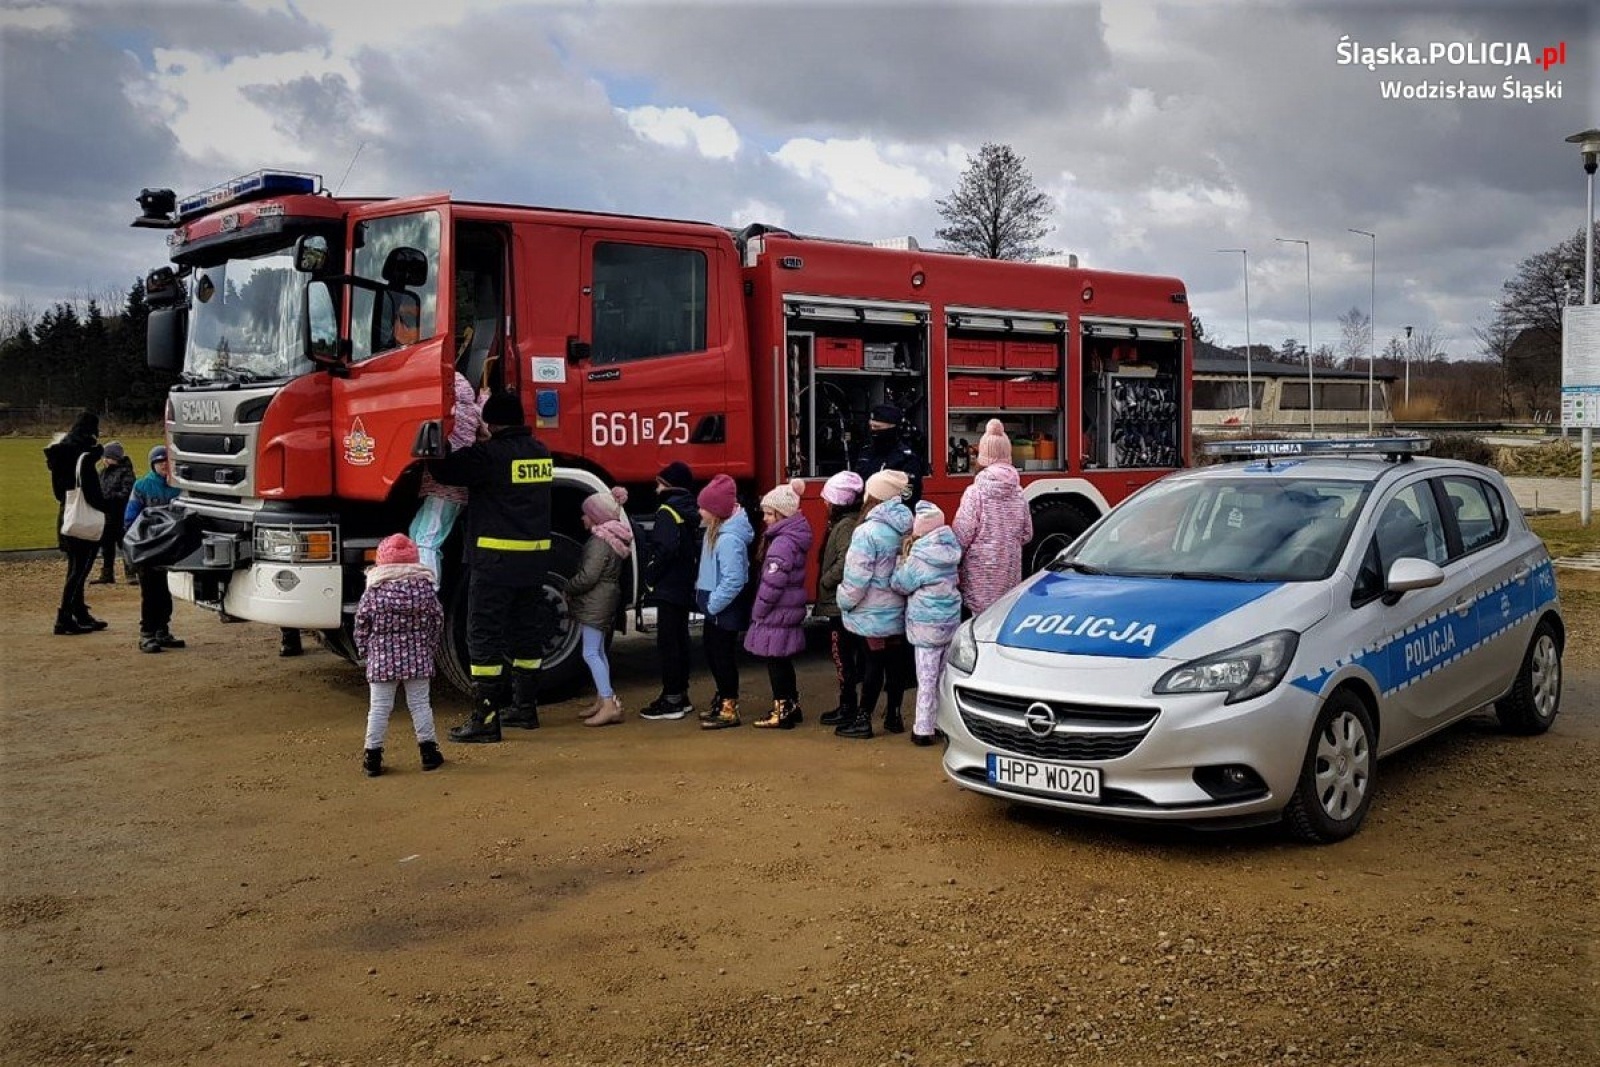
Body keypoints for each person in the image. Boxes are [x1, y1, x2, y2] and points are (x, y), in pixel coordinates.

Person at [427, 390, 553, 742]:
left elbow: (446, 469)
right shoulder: (540, 453)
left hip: (495, 563)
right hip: (533, 562)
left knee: (484, 636)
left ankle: (485, 718)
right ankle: (525, 708)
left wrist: (433, 438)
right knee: (527, 633)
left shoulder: (489, 456)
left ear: (492, 422)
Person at [353, 533, 445, 777]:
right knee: (420, 705)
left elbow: (362, 623)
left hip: (382, 661)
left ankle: (372, 757)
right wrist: (430, 647)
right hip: (418, 658)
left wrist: (365, 651)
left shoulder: (374, 591)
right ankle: (429, 753)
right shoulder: (425, 590)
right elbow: (437, 620)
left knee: (379, 709)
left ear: (382, 561)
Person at [835, 469, 913, 739]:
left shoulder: (866, 532)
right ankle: (894, 716)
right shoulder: (907, 527)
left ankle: (863, 718)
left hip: (871, 613)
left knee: (872, 664)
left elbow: (857, 578)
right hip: (897, 611)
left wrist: (843, 600)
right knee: (895, 665)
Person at [744, 479, 814, 730]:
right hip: (787, 610)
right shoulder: (791, 538)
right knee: (783, 660)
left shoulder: (781, 543)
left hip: (776, 612)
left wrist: (759, 611)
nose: (764, 518)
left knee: (775, 661)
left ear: (782, 513)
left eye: (769, 513)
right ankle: (790, 705)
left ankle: (782, 707)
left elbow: (772, 584)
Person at [892, 501, 963, 746]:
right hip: (949, 621)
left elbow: (901, 584)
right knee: (944, 677)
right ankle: (944, 725)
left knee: (926, 677)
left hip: (925, 625)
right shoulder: (951, 551)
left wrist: (900, 562)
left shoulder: (920, 556)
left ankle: (923, 728)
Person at [638, 461, 702, 721]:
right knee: (680, 640)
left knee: (669, 644)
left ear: (668, 485)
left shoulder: (666, 510)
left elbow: (663, 549)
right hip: (682, 585)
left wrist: (650, 578)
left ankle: (672, 699)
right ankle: (680, 696)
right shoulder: (686, 510)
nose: (655, 489)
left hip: (667, 588)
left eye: (659, 483)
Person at [953, 419, 1033, 617]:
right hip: (1009, 574)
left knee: (979, 627)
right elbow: (1027, 534)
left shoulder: (976, 492)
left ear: (983, 456)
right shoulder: (1018, 492)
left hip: (980, 577)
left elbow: (961, 537)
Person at [693, 473, 754, 730]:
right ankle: (722, 699)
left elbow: (734, 579)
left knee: (722, 657)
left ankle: (729, 705)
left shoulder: (728, 540)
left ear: (716, 511)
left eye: (703, 508)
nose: (699, 512)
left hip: (722, 609)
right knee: (713, 652)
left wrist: (714, 604)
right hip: (715, 608)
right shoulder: (716, 532)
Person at [568, 486, 632, 727]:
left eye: (586, 513)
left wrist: (569, 587)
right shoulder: (614, 538)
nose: (583, 518)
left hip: (596, 601)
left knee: (590, 652)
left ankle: (607, 703)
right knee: (599, 651)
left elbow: (588, 576)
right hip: (605, 599)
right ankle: (603, 698)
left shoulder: (599, 542)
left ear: (596, 516)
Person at [409, 372, 482, 580]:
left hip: (445, 488)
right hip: (451, 488)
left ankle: (427, 591)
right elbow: (485, 431)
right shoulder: (472, 411)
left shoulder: (451, 415)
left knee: (426, 538)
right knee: (419, 533)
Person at [44, 411, 108, 636]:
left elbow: (59, 493)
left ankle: (78, 612)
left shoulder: (60, 456)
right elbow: (92, 493)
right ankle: (64, 617)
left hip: (67, 514)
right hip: (84, 517)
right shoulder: (83, 459)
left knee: (75, 567)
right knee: (80, 569)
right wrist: (107, 508)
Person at [813, 470, 865, 727]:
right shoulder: (847, 522)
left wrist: (827, 580)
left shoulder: (844, 526)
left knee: (842, 657)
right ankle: (848, 704)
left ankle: (848, 706)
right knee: (845, 656)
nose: (823, 502)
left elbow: (846, 560)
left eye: (827, 498)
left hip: (838, 604)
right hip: (839, 602)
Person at [125, 445, 186, 654]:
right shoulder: (142, 486)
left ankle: (162, 630)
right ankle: (147, 634)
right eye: (160, 462)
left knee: (165, 592)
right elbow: (130, 517)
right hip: (148, 547)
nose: (164, 466)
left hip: (169, 548)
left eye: (167, 462)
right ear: (153, 464)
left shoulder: (179, 487)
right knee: (150, 593)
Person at [852, 403, 926, 504]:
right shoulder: (866, 452)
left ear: (893, 428)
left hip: (891, 514)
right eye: (871, 426)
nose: (873, 431)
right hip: (863, 510)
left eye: (877, 427)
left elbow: (909, 495)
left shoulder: (906, 458)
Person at [92, 441, 136, 585]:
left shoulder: (126, 472)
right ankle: (107, 573)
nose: (104, 460)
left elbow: (126, 493)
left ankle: (131, 574)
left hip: (121, 515)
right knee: (106, 546)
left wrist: (108, 498)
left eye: (106, 457)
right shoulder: (102, 473)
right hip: (106, 516)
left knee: (124, 545)